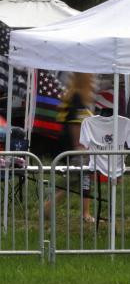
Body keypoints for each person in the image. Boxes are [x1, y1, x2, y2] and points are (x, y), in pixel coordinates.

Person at [47, 72, 95, 222]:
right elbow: (75, 123)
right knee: (77, 179)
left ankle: (84, 213)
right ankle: (48, 207)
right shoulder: (78, 96)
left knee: (80, 179)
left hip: (72, 144)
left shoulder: (73, 95)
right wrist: (79, 146)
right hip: (77, 146)